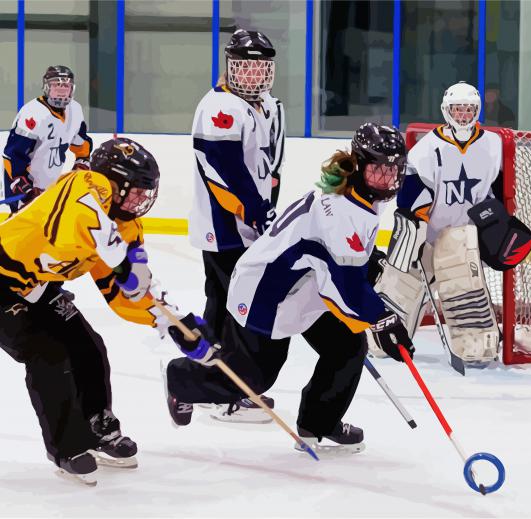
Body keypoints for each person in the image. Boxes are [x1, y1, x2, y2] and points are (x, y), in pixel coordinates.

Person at [164, 123, 415, 453]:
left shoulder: (360, 192)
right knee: (252, 380)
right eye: (378, 169)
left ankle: (317, 425)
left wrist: (370, 261)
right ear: (359, 164)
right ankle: (181, 380)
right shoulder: (338, 209)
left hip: (305, 287)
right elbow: (344, 284)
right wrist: (382, 320)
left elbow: (337, 257)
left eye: (393, 170)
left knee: (346, 348)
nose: (387, 178)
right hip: (264, 293)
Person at [0, 137, 203, 485]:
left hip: (38, 287)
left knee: (88, 347)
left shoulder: (124, 227)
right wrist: (123, 261)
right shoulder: (84, 185)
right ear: (114, 181)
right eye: (136, 191)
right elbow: (82, 219)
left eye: (146, 192)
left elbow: (124, 292)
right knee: (47, 354)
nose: (142, 200)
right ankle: (67, 447)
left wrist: (169, 321)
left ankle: (98, 426)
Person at [373, 81, 531, 368]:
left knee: (464, 289)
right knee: (402, 287)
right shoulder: (428, 147)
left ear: (477, 111)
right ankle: (380, 339)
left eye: (468, 110)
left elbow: (497, 191)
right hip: (426, 234)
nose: (463, 116)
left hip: (462, 237)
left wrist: (495, 222)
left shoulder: (493, 145)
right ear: (447, 111)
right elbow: (410, 189)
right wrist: (415, 220)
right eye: (458, 110)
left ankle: (475, 345)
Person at [188, 28, 285, 423]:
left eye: (260, 66)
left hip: (251, 224)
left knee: (222, 307)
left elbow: (272, 170)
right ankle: (224, 391)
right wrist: (255, 212)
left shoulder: (271, 107)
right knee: (236, 309)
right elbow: (221, 173)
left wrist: (269, 210)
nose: (253, 74)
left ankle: (198, 382)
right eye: (244, 66)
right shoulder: (218, 108)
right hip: (224, 229)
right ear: (229, 67)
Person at [3, 65, 92, 212]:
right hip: (26, 186)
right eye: (56, 85)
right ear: (47, 87)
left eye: (66, 86)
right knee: (22, 228)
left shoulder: (75, 110)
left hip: (50, 185)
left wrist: (82, 161)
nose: (62, 90)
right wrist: (23, 185)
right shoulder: (32, 113)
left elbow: (81, 143)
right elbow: (13, 155)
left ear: (72, 89)